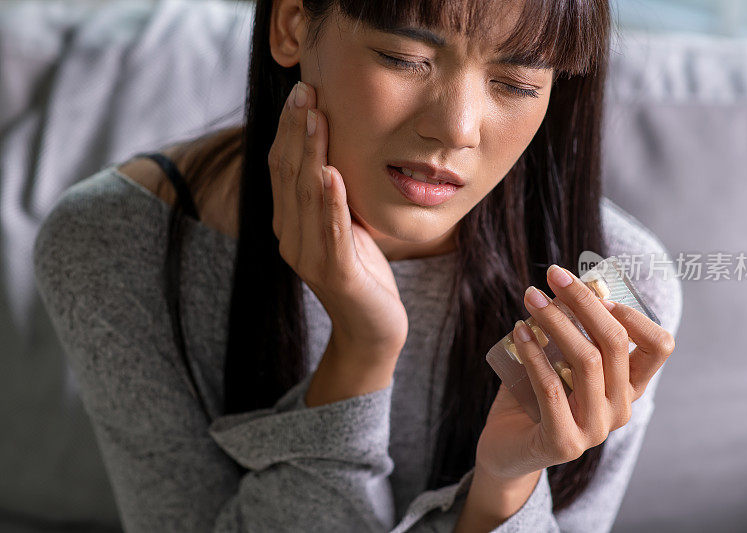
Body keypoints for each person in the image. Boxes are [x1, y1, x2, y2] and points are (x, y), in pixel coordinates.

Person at [32, 0, 682, 531]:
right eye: (406, 58)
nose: (457, 129)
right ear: (291, 23)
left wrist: (506, 485)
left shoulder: (613, 286)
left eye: (515, 83)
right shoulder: (117, 243)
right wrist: (359, 352)